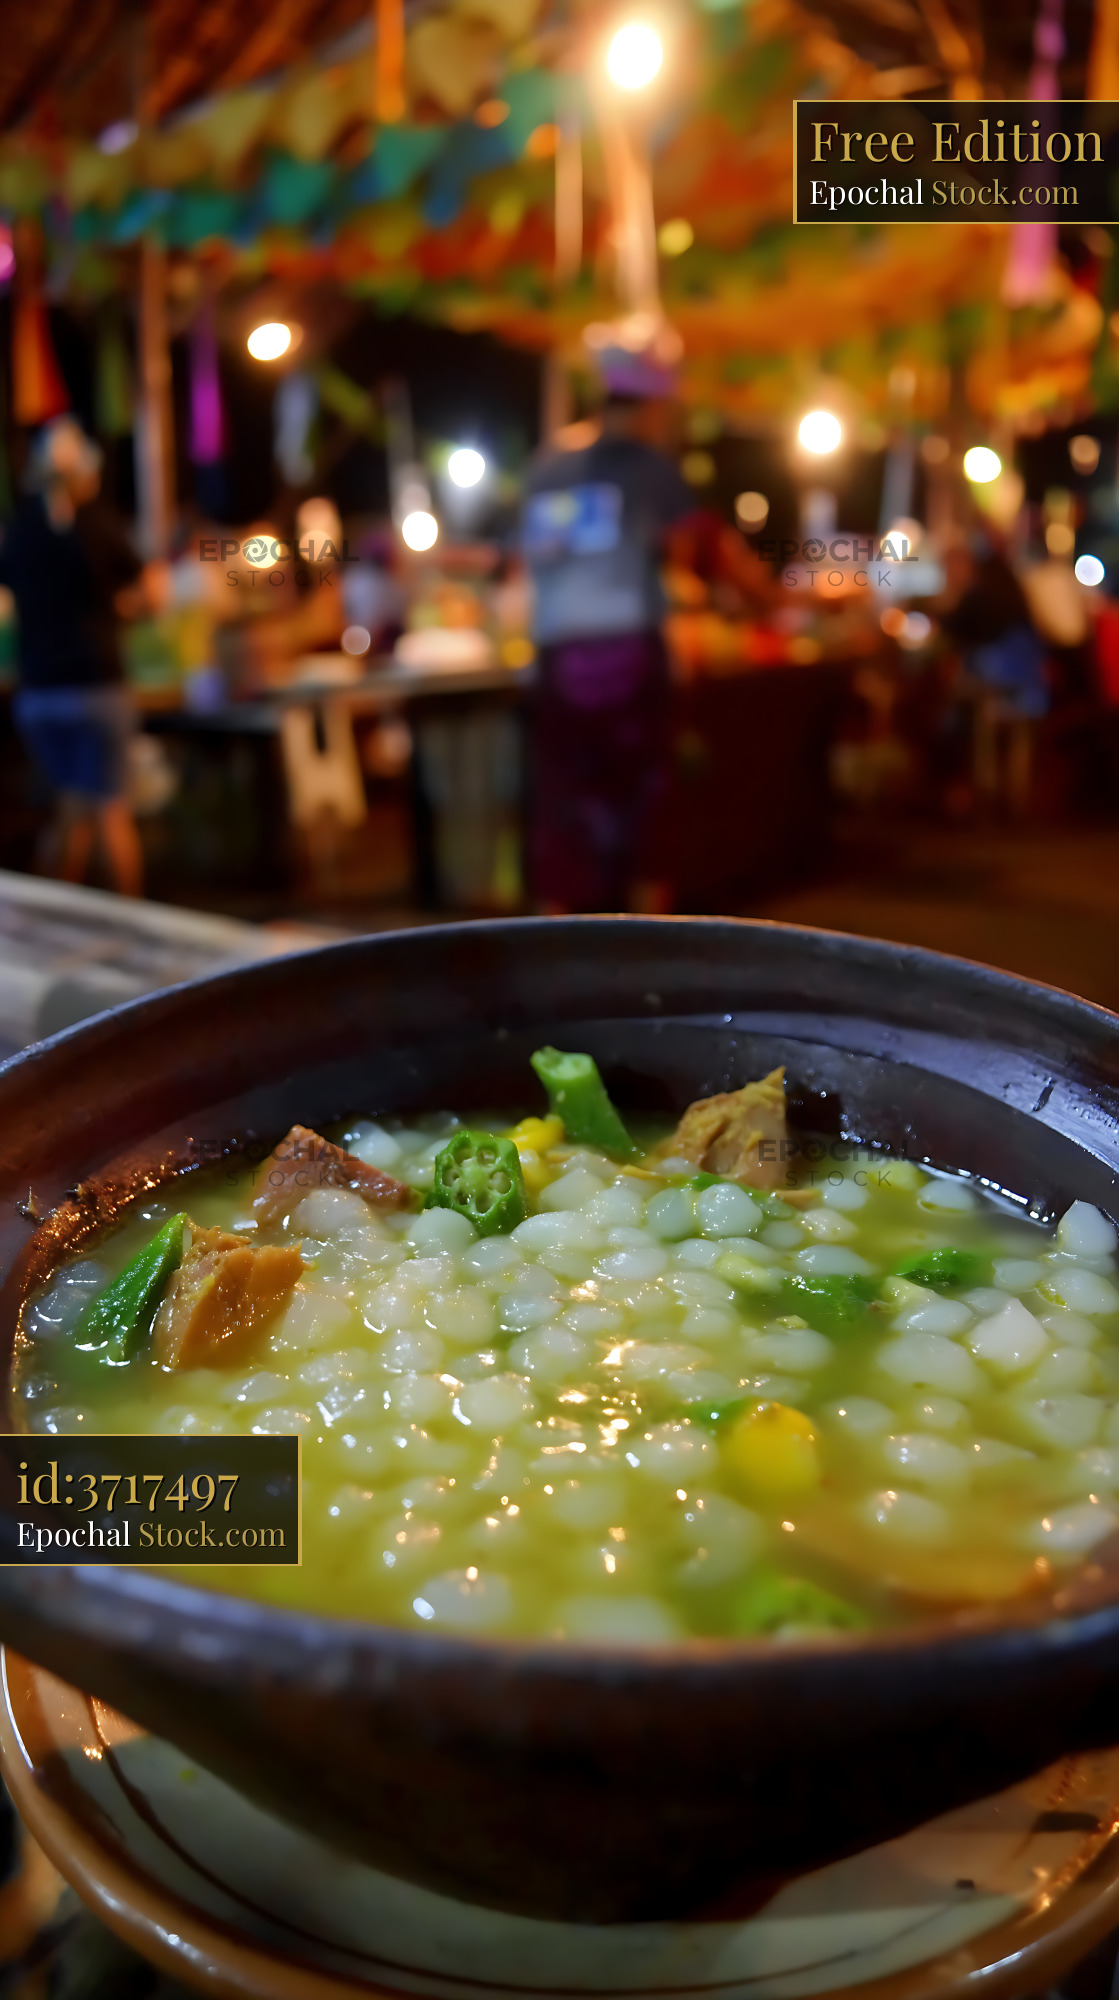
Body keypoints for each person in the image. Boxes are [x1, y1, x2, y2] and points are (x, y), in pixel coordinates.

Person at [522, 368, 696, 912]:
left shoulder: (546, 466)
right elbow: (699, 546)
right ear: (650, 407)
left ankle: (560, 945)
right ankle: (650, 945)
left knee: (565, 800)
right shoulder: (650, 467)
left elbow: (525, 556)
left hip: (557, 652)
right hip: (626, 652)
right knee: (645, 800)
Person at [0, 417, 162, 895]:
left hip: (40, 694)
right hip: (97, 686)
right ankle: (131, 924)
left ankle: (64, 928)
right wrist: (121, 609)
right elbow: (151, 592)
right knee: (110, 809)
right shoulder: (99, 524)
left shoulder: (21, 530)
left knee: (71, 807)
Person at [939, 537, 1048, 817]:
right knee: (1019, 737)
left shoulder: (978, 596)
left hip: (992, 681)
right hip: (1028, 685)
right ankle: (1016, 799)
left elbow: (953, 630)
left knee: (977, 729)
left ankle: (985, 796)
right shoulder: (1018, 595)